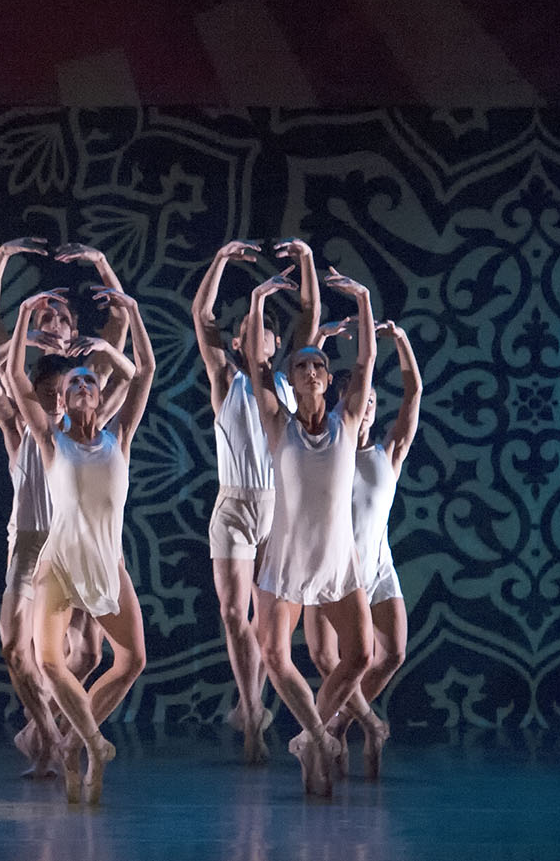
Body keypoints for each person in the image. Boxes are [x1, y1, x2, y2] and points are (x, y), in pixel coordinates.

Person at [6, 286, 153, 806]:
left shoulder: (121, 438)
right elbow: (16, 381)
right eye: (76, 384)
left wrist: (122, 326)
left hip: (107, 564)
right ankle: (88, 741)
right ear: (64, 401)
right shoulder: (52, 442)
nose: (87, 386)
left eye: (91, 381)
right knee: (48, 661)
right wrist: (24, 317)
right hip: (59, 564)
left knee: (132, 658)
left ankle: (71, 739)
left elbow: (144, 373)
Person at [245, 265, 381, 798]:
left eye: (319, 366)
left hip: (336, 558)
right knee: (275, 654)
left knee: (361, 657)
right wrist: (258, 301)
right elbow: (257, 363)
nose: (311, 371)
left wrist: (364, 299)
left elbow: (367, 359)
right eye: (301, 365)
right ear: (293, 377)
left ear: (327, 377)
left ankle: (309, 737)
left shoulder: (348, 421)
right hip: (288, 556)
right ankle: (318, 737)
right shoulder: (279, 423)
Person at [191, 238, 316, 763]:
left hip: (280, 509)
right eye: (240, 329)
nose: (246, 331)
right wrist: (219, 258)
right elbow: (202, 314)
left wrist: (306, 260)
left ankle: (257, 704)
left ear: (273, 340)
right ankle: (251, 711)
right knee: (230, 610)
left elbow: (309, 312)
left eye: (257, 326)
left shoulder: (288, 383)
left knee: (269, 622)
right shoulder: (228, 381)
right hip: (236, 504)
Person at [303, 319, 421, 779]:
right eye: (358, 401)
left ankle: (341, 725)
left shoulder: (388, 454)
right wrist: (322, 342)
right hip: (330, 569)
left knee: (392, 654)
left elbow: (413, 394)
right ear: (342, 403)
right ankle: (327, 740)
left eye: (371, 401)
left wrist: (402, 341)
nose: (366, 408)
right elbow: (305, 382)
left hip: (378, 567)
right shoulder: (323, 446)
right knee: (326, 660)